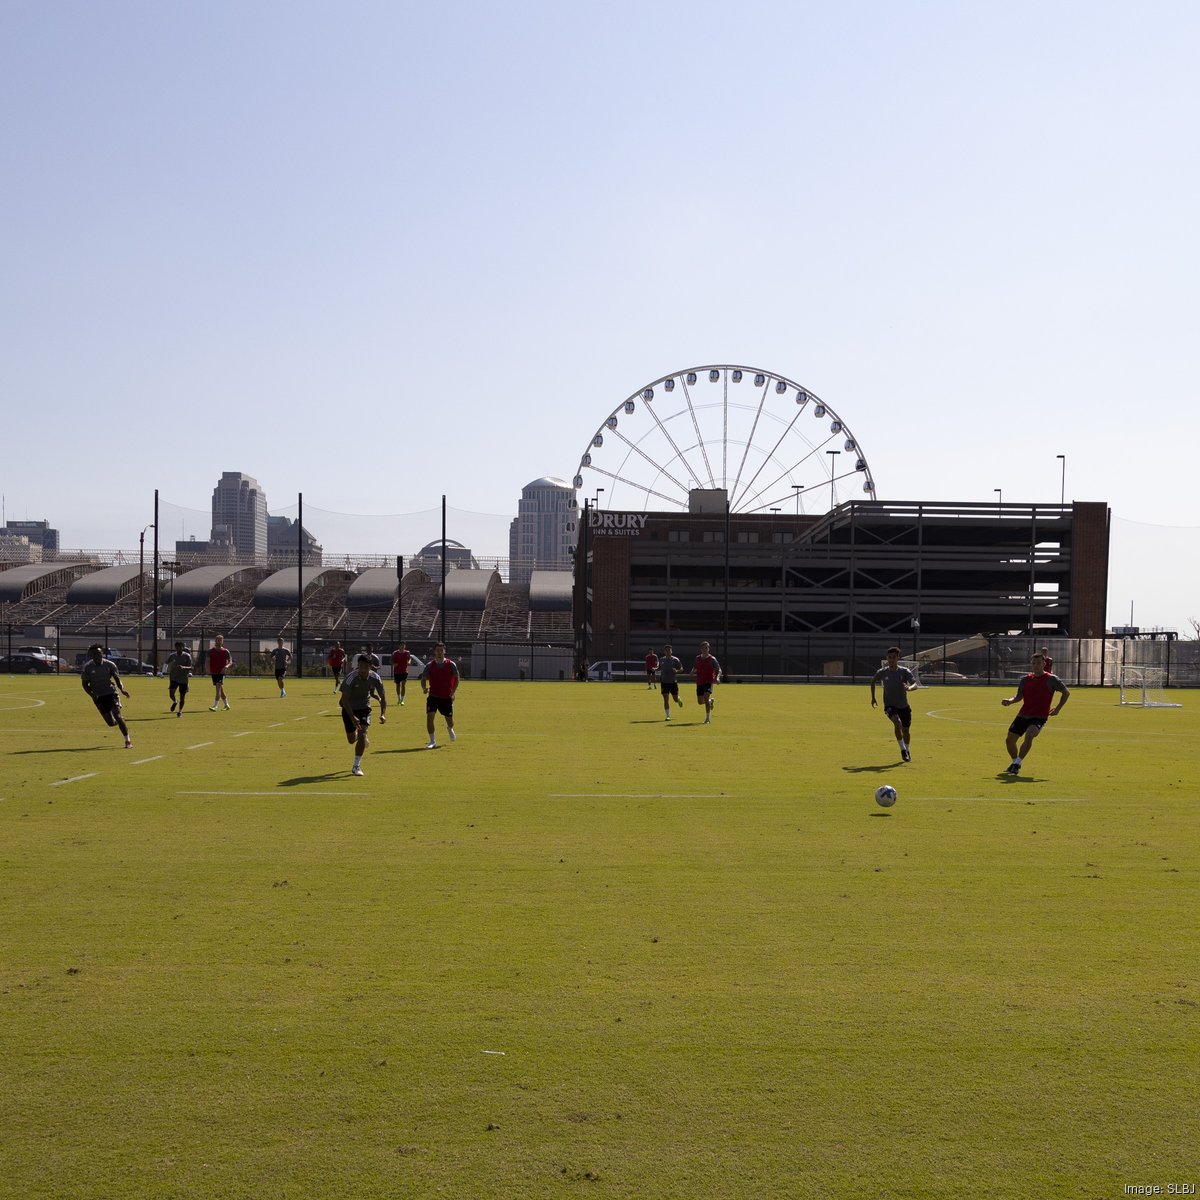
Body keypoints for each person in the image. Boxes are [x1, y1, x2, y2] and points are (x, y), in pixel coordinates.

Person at [1001, 651, 1070, 775]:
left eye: (1039, 663)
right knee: (1009, 741)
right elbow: (1018, 696)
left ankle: (1017, 763)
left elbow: (1066, 692)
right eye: (1034, 663)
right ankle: (1014, 762)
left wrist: (1058, 708)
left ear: (1044, 663)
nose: (1036, 665)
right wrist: (1009, 701)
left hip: (1039, 717)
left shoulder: (1051, 679)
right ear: (1031, 665)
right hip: (1023, 714)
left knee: (1030, 735)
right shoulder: (1025, 679)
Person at [339, 654, 388, 776]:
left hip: (364, 708)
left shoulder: (375, 678)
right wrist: (352, 717)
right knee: (351, 740)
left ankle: (356, 765)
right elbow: (344, 700)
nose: (362, 669)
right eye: (360, 666)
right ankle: (360, 736)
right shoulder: (351, 678)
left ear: (370, 667)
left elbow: (383, 697)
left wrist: (383, 714)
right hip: (349, 708)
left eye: (365, 667)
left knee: (362, 734)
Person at [870, 646, 917, 761]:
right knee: (897, 723)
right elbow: (872, 681)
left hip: (904, 706)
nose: (891, 660)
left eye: (893, 657)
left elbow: (915, 684)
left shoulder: (904, 671)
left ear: (898, 658)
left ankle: (907, 750)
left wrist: (909, 688)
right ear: (887, 658)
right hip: (890, 706)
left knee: (906, 730)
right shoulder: (882, 672)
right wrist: (873, 698)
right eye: (889, 657)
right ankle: (902, 750)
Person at [81, 643, 132, 748]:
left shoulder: (109, 665)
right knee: (110, 723)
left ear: (102, 654)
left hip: (111, 693)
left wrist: (122, 689)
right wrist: (91, 694)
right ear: (92, 655)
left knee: (117, 715)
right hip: (99, 696)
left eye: (99, 653)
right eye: (95, 654)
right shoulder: (88, 667)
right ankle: (121, 722)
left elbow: (117, 678)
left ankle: (127, 741)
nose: (98, 656)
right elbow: (84, 684)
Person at [420, 642, 459, 749]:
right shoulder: (429, 665)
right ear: (434, 651)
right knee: (430, 717)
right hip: (433, 696)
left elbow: (456, 679)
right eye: (437, 650)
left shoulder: (451, 664)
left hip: (446, 697)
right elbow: (423, 679)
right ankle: (432, 741)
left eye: (441, 650)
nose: (439, 652)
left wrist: (453, 692)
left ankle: (450, 729)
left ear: (444, 651)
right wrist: (424, 688)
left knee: (450, 720)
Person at [693, 641, 722, 725]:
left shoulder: (712, 659)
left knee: (705, 697)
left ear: (708, 649)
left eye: (706, 648)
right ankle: (710, 702)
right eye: (703, 648)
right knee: (700, 702)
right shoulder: (697, 658)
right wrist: (692, 671)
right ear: (701, 649)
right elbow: (695, 667)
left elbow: (719, 669)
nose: (705, 649)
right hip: (699, 682)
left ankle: (707, 718)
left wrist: (717, 677)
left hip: (708, 681)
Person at [165, 640, 192, 717]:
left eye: (180, 647)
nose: (178, 649)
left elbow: (191, 667)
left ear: (183, 647)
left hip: (183, 679)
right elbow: (166, 663)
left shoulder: (187, 656)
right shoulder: (172, 655)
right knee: (171, 693)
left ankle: (180, 711)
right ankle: (175, 701)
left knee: (182, 697)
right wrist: (163, 672)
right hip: (174, 677)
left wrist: (184, 667)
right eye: (177, 647)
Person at [658, 643, 684, 720]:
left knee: (675, 699)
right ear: (664, 652)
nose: (668, 651)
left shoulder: (675, 659)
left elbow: (681, 669)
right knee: (666, 698)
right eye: (666, 650)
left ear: (671, 651)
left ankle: (678, 699)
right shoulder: (662, 659)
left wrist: (677, 671)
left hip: (673, 682)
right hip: (664, 682)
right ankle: (668, 715)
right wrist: (655, 669)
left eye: (669, 650)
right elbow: (659, 667)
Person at [207, 634, 232, 711]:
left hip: (221, 672)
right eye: (217, 640)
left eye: (220, 640)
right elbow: (207, 661)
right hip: (213, 672)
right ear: (215, 641)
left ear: (222, 641)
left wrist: (226, 667)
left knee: (218, 688)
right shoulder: (210, 651)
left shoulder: (225, 651)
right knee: (220, 689)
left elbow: (230, 662)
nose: (218, 641)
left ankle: (215, 706)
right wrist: (207, 669)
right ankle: (226, 705)